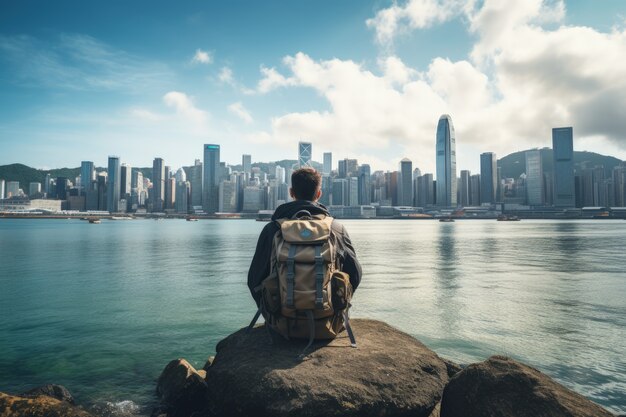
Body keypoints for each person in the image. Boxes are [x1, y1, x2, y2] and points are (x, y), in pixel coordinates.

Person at [247, 167, 361, 306]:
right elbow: (355, 274)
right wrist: (338, 306)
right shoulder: (336, 229)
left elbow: (254, 279)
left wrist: (271, 313)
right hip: (327, 322)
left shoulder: (273, 229)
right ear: (319, 194)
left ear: (291, 193)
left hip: (280, 323)